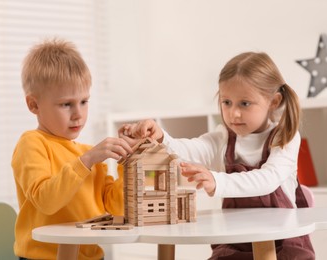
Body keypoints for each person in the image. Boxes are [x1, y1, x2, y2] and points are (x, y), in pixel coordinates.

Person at [119, 52, 315, 259]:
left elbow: (268, 180)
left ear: (274, 102)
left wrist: (217, 181)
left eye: (245, 103)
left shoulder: (285, 137)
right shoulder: (223, 138)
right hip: (235, 242)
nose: (233, 113)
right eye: (227, 102)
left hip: (282, 243)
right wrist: (160, 137)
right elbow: (191, 149)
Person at [12, 38, 132, 260]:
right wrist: (86, 161)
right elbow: (46, 201)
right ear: (34, 105)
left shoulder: (86, 154)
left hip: (92, 256)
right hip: (43, 257)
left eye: (84, 102)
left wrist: (128, 163)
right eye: (66, 104)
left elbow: (116, 209)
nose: (78, 113)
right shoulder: (32, 143)